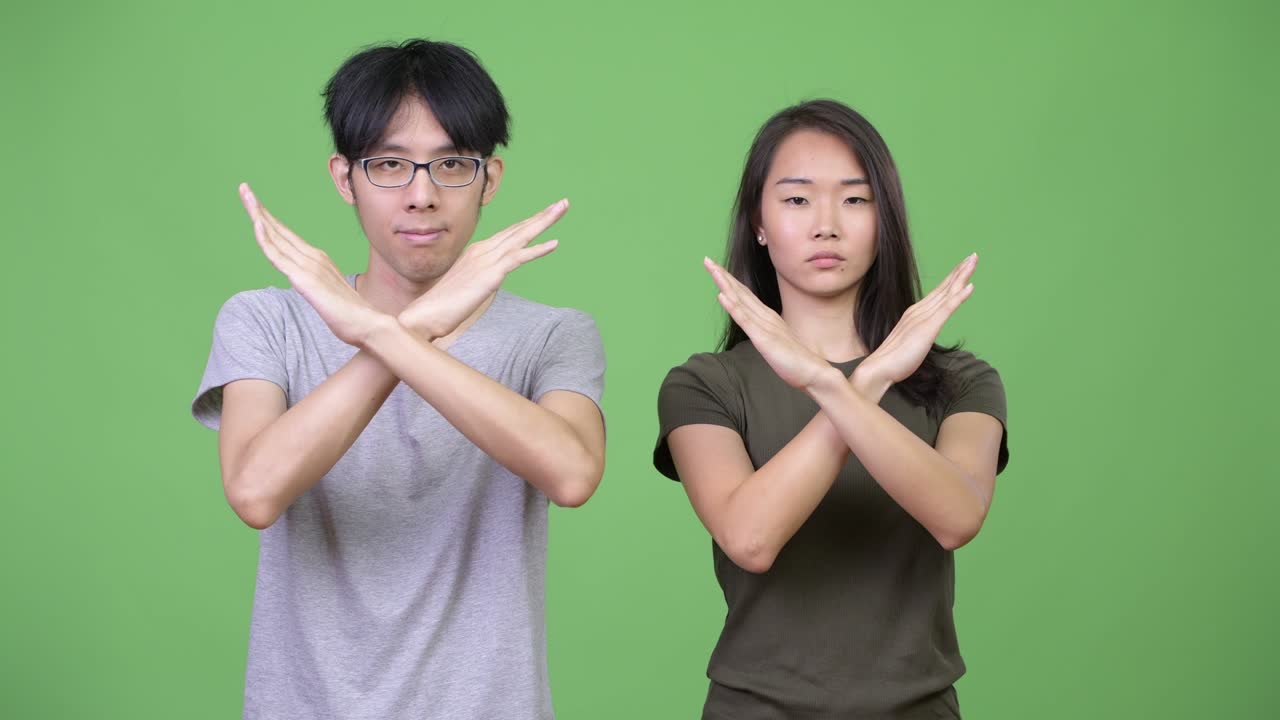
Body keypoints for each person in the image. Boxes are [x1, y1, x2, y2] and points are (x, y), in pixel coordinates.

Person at [191, 39, 606, 719]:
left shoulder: (552, 335)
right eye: (389, 165)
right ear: (343, 177)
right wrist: (412, 331)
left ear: (490, 179)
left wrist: (388, 330)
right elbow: (256, 491)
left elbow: (572, 474)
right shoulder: (265, 321)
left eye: (452, 165)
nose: (422, 195)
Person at [654, 99, 1010, 719]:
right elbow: (750, 537)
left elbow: (956, 516)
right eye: (796, 200)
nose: (827, 224)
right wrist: (853, 384)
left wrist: (846, 382)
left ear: (885, 219)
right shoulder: (703, 385)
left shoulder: (962, 383)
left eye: (855, 199)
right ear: (758, 223)